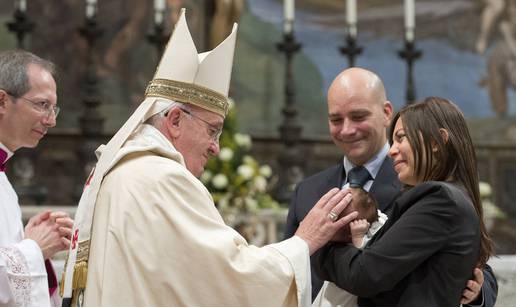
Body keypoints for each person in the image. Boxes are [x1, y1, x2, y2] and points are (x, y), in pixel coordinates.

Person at [60, 9, 358, 307]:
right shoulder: (163, 179)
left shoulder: (123, 170)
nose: (215, 147)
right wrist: (303, 241)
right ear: (175, 120)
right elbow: (232, 278)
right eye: (212, 130)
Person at [284, 67, 498, 306]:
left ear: (386, 113)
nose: (346, 129)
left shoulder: (428, 189)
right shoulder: (307, 190)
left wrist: (478, 293)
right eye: (336, 119)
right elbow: (288, 271)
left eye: (358, 117)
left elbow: (470, 262)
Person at [0, 50, 73, 307]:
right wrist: (34, 248)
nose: (51, 120)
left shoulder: (3, 180)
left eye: (54, 109)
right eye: (42, 105)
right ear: (2, 101)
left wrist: (27, 240)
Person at [313, 188, 387, 307]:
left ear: (349, 234)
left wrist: (358, 238)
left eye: (335, 217)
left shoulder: (375, 235)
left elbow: (364, 263)